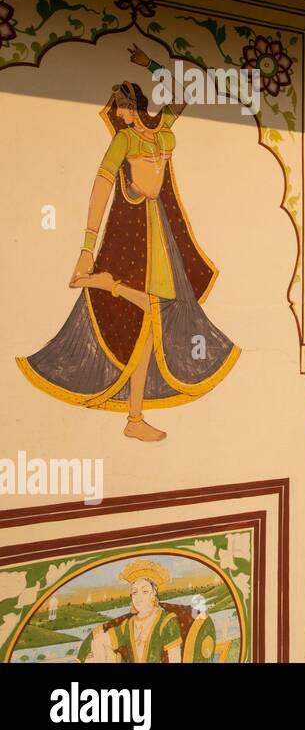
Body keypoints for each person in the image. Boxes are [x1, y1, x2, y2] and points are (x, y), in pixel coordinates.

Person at [17, 45, 239, 441]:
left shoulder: (160, 133)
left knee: (153, 319)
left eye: (122, 107)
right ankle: (134, 415)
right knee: (148, 314)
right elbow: (101, 187)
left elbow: (186, 90)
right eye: (116, 109)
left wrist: (150, 64)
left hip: (162, 236)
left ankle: (134, 417)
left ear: (134, 106)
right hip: (132, 236)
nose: (119, 114)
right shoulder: (122, 143)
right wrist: (87, 247)